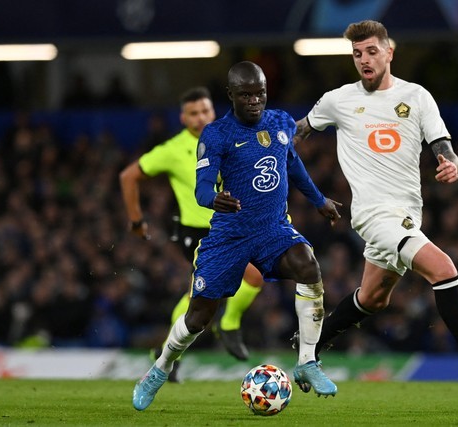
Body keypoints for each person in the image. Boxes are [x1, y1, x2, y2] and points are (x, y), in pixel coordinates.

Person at [292, 20, 458, 392]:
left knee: (373, 298)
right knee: (444, 269)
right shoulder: (338, 100)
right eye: (356, 54)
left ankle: (309, 349)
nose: (363, 60)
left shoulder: (416, 96)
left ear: (389, 52)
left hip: (406, 215)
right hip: (373, 215)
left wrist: (450, 162)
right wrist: (264, 138)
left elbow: (441, 142)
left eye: (370, 51)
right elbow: (299, 130)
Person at [132, 61, 342, 411]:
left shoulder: (280, 122)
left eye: (259, 92)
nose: (254, 100)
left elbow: (292, 164)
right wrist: (214, 199)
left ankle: (307, 361)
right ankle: (159, 369)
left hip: (273, 228)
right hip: (230, 235)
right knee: (198, 318)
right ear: (230, 95)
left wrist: (319, 200)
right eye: (245, 95)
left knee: (308, 266)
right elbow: (201, 188)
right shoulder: (216, 134)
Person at [120, 87, 264, 382]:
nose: (200, 118)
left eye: (205, 111)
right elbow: (128, 176)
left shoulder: (230, 136)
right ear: (183, 118)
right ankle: (227, 324)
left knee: (199, 297)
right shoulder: (173, 150)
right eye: (193, 113)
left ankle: (167, 352)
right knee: (247, 278)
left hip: (232, 227)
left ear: (214, 112)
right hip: (197, 233)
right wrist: (136, 220)